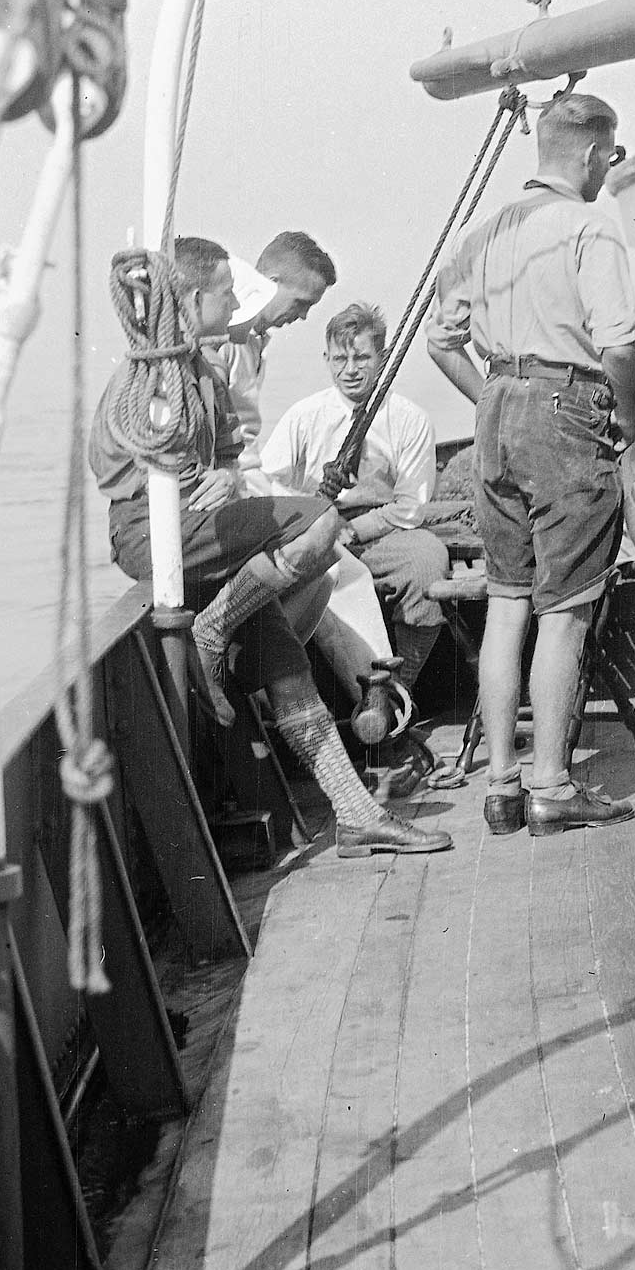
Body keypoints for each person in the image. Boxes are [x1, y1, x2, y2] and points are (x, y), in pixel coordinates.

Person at [90, 234, 448, 859]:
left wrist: (224, 476)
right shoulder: (150, 375)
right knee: (320, 523)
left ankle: (358, 815)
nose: (237, 301)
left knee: (286, 663)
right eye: (228, 291)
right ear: (197, 295)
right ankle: (212, 631)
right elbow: (117, 464)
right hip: (152, 533)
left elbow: (230, 457)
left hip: (202, 530)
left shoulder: (202, 369)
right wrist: (189, 479)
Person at [426, 91, 635, 839]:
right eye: (609, 159)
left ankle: (501, 784)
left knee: (507, 598)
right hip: (565, 411)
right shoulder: (589, 227)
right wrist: (625, 425)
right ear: (590, 155)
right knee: (566, 607)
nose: (608, 172)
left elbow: (440, 341)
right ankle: (552, 784)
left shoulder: (484, 232)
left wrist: (495, 395)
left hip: (497, 413)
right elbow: (618, 345)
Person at [259, 303, 451, 695]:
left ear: (381, 358)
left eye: (362, 357)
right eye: (340, 358)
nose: (350, 369)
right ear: (326, 358)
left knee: (429, 560)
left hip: (382, 531)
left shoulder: (409, 419)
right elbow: (269, 483)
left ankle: (399, 693)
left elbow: (410, 506)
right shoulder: (303, 416)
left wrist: (353, 529)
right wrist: (315, 523)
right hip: (315, 526)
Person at [214, 230, 337, 480]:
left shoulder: (253, 342)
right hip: (227, 482)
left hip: (244, 477)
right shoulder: (224, 342)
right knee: (325, 518)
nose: (302, 316)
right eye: (301, 303)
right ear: (270, 282)